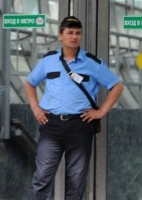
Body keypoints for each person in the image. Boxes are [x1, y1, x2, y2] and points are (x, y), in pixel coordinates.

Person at [24, 16, 124, 200]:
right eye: (70, 32)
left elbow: (117, 86)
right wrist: (35, 108)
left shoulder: (92, 63)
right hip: (51, 124)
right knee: (42, 177)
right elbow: (30, 83)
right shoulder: (49, 61)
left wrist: (101, 111)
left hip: (80, 125)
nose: (74, 37)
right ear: (60, 36)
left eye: (78, 33)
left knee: (76, 180)